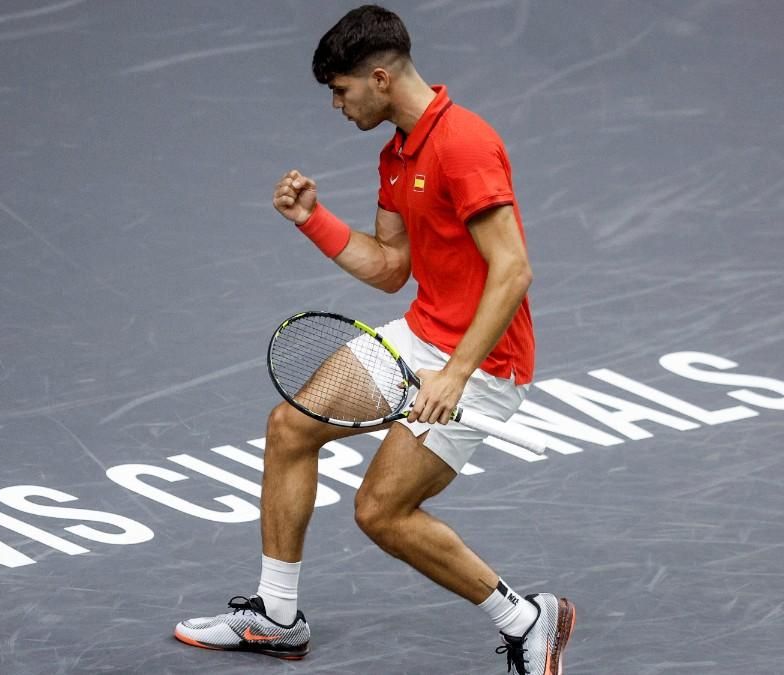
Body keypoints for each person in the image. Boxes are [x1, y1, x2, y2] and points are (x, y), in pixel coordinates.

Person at [174, 5, 575, 673]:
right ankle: (277, 616)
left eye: (341, 90)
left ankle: (528, 618)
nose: (337, 104)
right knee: (288, 427)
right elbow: (392, 269)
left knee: (382, 511)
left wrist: (453, 375)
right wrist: (313, 220)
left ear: (381, 77)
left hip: (484, 362)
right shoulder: (397, 155)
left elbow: (513, 269)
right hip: (419, 338)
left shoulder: (465, 144)